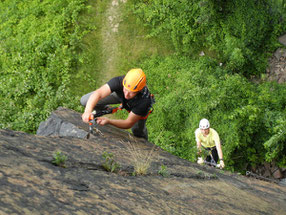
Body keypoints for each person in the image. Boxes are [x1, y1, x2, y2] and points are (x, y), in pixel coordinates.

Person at [81, 68, 154, 140]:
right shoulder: (119, 81)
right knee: (85, 100)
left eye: (131, 92)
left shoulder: (144, 102)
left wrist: (109, 121)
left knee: (137, 131)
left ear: (139, 90)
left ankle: (144, 144)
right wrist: (87, 111)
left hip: (137, 106)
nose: (126, 95)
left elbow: (128, 123)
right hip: (119, 96)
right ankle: (105, 109)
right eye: (125, 89)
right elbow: (99, 93)